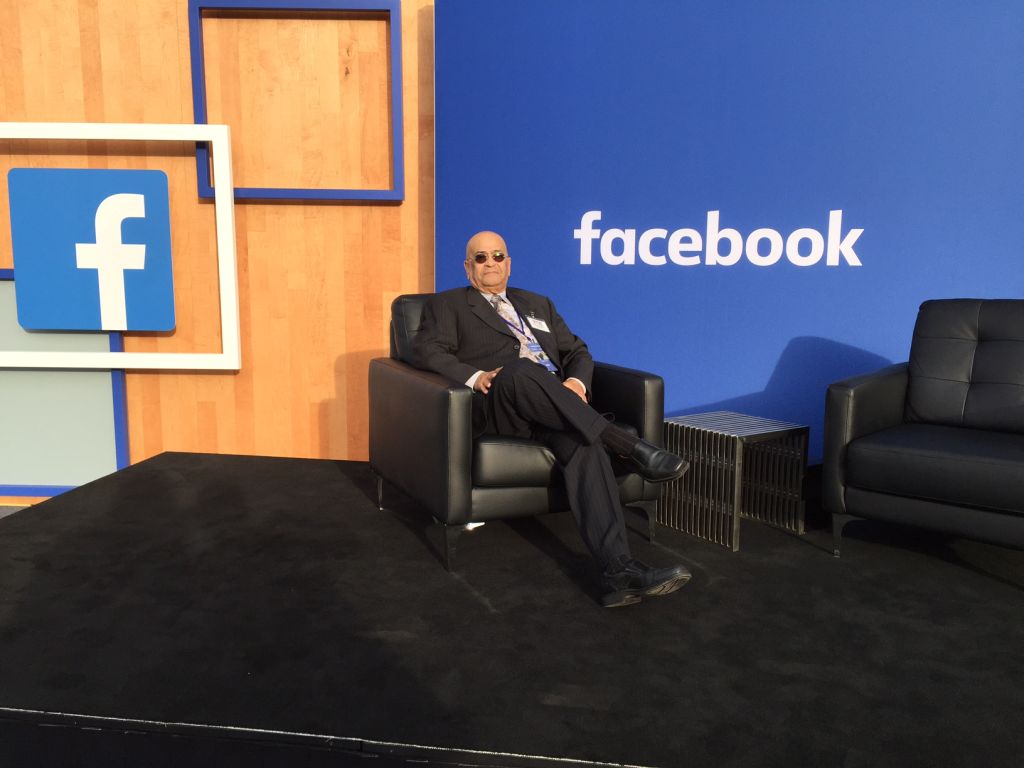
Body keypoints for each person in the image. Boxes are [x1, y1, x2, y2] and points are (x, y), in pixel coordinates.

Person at [410, 230, 692, 607]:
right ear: (467, 268)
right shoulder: (448, 305)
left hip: (552, 408)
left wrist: (575, 382)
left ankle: (618, 571)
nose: (490, 263)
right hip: (499, 404)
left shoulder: (537, 303)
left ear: (509, 264)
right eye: (480, 258)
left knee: (583, 443)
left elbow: (577, 351)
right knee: (519, 369)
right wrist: (476, 377)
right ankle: (628, 446)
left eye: (497, 256)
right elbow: (427, 352)